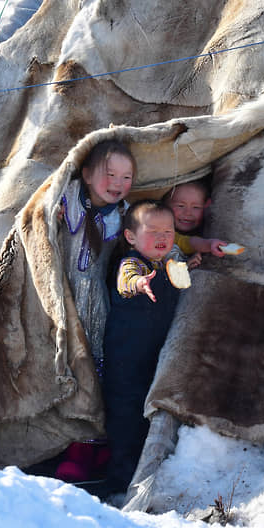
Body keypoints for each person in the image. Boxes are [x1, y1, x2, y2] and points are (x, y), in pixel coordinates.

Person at [54, 139, 136, 483]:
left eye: (127, 176)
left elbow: (156, 238)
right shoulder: (67, 197)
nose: (118, 183)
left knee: (95, 376)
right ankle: (60, 445)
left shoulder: (125, 214)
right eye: (110, 173)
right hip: (61, 298)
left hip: (97, 309)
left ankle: (89, 448)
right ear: (86, 174)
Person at [99, 199, 182, 497]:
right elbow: (126, 280)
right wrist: (138, 284)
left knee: (146, 418)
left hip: (153, 357)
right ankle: (118, 483)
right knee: (125, 419)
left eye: (168, 231)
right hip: (126, 360)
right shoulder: (132, 264)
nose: (162, 237)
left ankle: (139, 473)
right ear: (131, 236)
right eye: (153, 231)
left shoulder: (167, 263)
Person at [163, 180, 227, 268]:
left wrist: (210, 244)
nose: (188, 213)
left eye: (196, 207)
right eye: (180, 206)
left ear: (206, 207)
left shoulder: (208, 230)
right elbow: (186, 242)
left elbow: (191, 242)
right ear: (165, 206)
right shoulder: (163, 233)